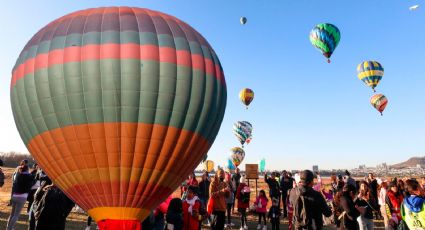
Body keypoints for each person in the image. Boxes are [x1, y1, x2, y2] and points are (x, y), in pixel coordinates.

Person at [7, 164, 33, 230]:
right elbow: (32, 183)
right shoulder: (29, 176)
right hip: (22, 197)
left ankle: (8, 228)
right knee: (16, 215)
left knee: (12, 214)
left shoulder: (18, 175)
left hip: (15, 195)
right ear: (27, 169)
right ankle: (10, 228)